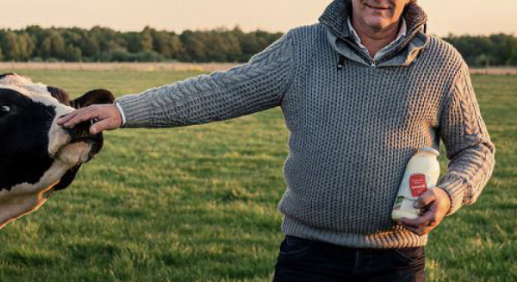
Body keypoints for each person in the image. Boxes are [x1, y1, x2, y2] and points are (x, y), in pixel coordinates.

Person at [58, 0, 495, 281]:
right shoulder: (302, 48)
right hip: (309, 258)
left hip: (396, 263)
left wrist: (449, 194)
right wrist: (125, 111)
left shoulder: (441, 61)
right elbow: (220, 91)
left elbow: (476, 148)